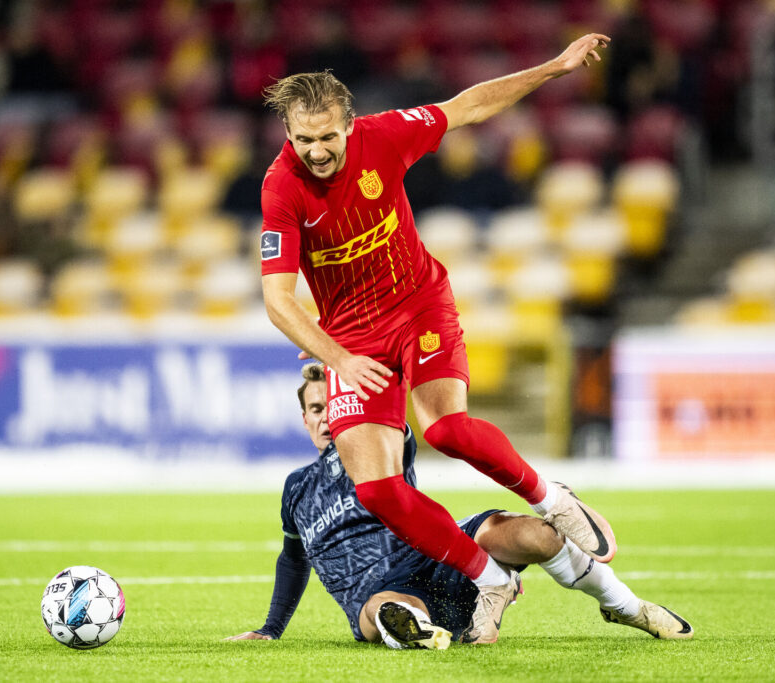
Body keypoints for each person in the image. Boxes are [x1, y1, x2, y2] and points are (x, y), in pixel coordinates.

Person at [259, 34, 616, 639]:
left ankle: (551, 497)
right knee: (377, 490)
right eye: (303, 139)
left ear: (350, 125)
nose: (316, 152)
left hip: (419, 304)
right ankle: (491, 579)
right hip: (353, 337)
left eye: (327, 137)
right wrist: (339, 356)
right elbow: (276, 300)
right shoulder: (281, 187)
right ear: (288, 134)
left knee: (447, 430)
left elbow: (468, 105)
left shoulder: (388, 134)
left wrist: (555, 68)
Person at [226, 365, 692, 647]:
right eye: (315, 409)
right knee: (390, 612)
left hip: (444, 554)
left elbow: (387, 409)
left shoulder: (380, 448)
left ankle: (627, 607)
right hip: (378, 595)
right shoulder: (296, 489)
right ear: (303, 418)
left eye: (334, 404)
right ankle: (423, 630)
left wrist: (347, 367)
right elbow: (293, 559)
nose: (328, 417)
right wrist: (271, 628)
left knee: (538, 535)